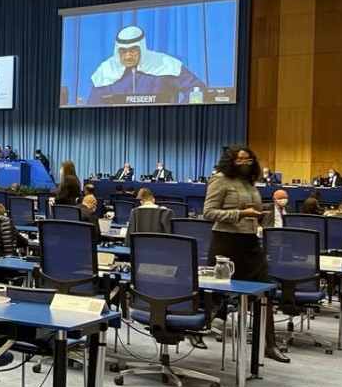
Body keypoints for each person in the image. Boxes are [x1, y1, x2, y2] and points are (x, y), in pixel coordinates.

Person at [203, 145, 286, 362]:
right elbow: (208, 212)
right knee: (216, 297)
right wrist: (240, 214)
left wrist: (258, 215)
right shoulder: (220, 179)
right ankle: (193, 329)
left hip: (250, 242)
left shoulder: (250, 182)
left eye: (248, 160)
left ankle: (269, 344)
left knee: (265, 290)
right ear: (231, 161)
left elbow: (251, 209)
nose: (245, 164)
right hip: (226, 244)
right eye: (240, 160)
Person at [87, 25, 206, 105]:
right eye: (123, 51)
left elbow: (197, 88)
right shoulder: (106, 72)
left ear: (142, 48)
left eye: (133, 50)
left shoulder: (164, 64)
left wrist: (180, 113)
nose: (128, 56)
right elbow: (93, 107)